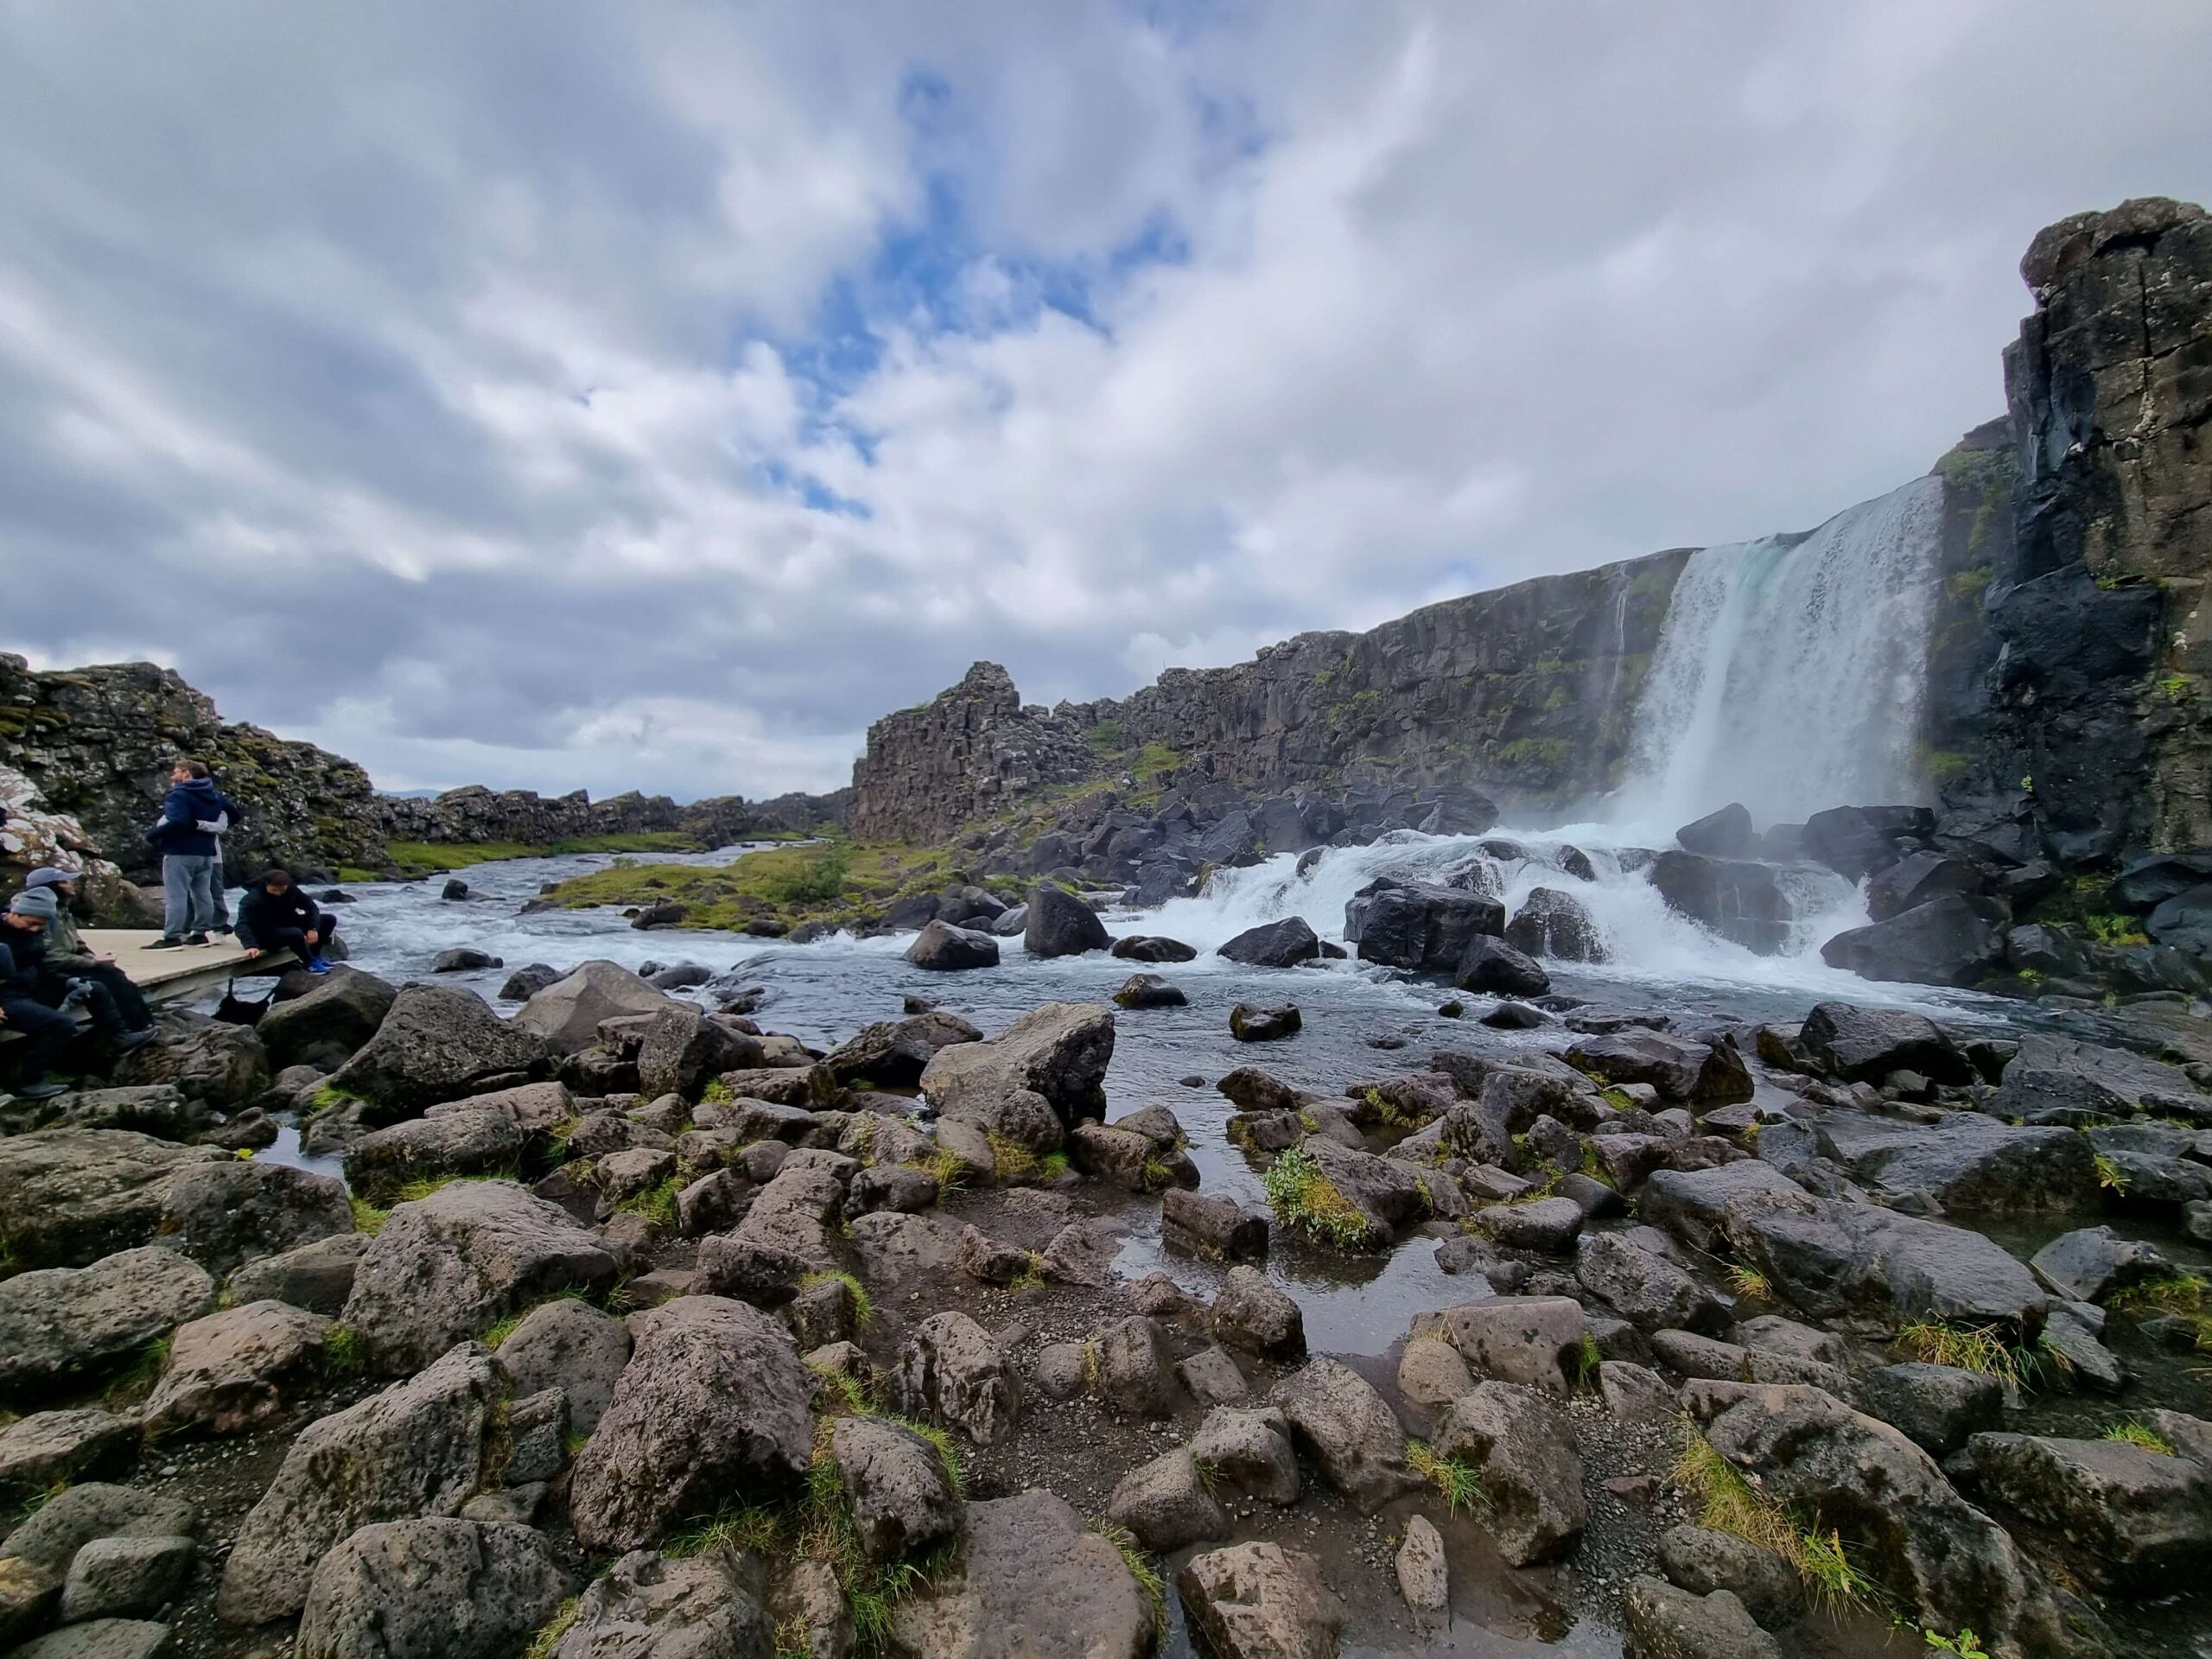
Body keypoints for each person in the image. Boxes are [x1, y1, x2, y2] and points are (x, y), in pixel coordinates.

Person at [1, 890, 155, 1055]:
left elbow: (42, 968)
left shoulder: (34, 935)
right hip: (9, 994)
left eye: (40, 925)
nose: (34, 929)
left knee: (95, 988)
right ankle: (32, 1078)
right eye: (31, 923)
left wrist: (68, 981)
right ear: (14, 913)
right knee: (61, 1025)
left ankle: (120, 1037)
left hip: (34, 986)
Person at [145, 759, 237, 950]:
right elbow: (235, 814)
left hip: (180, 851)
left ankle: (172, 937)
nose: (173, 776)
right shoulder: (214, 795)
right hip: (206, 852)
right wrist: (208, 827)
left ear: (187, 773)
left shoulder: (180, 794)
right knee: (203, 893)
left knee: (176, 895)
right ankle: (200, 933)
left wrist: (153, 836)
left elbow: (178, 821)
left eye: (176, 772)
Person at [236, 868, 335, 973]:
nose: (278, 893)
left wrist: (313, 928)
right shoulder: (252, 899)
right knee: (295, 933)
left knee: (328, 920)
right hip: (265, 934)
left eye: (282, 890)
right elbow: (242, 924)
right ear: (266, 885)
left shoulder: (291, 891)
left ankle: (315, 955)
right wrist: (250, 945)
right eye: (274, 890)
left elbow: (311, 907)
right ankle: (309, 963)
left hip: (287, 924)